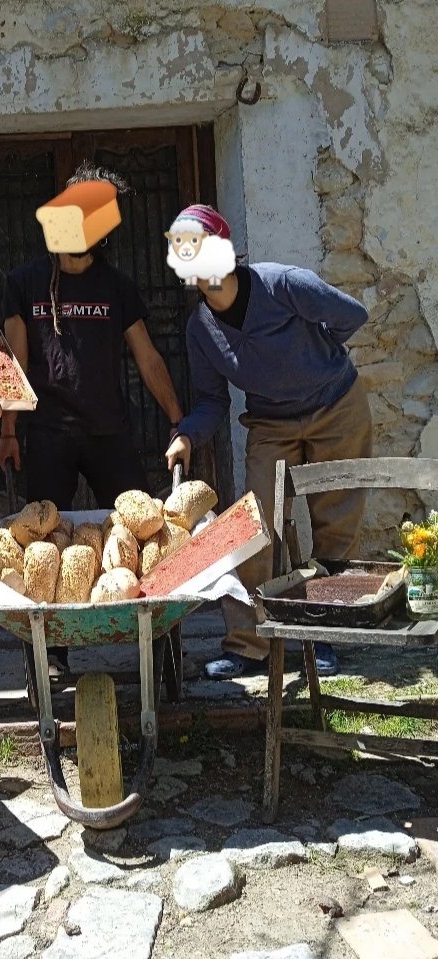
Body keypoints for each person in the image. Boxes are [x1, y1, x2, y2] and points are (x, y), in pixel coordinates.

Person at [165, 204, 373, 680]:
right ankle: (249, 644)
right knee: (255, 529)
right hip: (271, 425)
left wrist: (317, 360)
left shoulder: (282, 284)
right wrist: (186, 436)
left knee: (334, 530)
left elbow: (350, 316)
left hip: (337, 408)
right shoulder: (201, 330)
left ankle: (324, 637)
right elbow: (211, 401)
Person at [0, 163, 185, 675]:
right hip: (48, 433)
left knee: (145, 538)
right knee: (44, 552)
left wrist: (178, 422)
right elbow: (14, 363)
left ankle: (158, 647)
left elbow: (147, 357)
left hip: (109, 433)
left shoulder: (118, 287)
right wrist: (9, 430)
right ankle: (51, 656)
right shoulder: (24, 283)